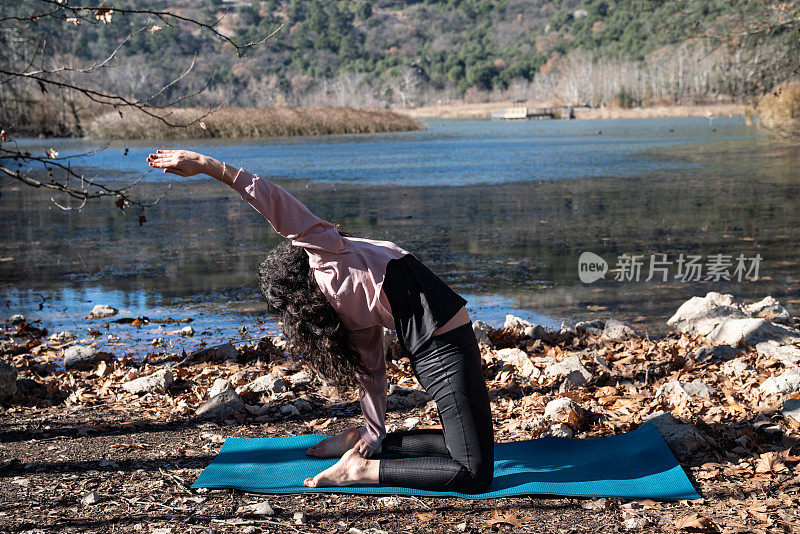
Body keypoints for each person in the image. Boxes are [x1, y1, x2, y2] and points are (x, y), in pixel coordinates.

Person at [146, 149, 494, 493]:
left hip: (441, 341)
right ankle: (359, 470)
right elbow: (276, 201)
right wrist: (211, 167)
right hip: (443, 346)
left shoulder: (340, 291)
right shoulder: (327, 255)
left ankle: (360, 443)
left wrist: (373, 432)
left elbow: (372, 371)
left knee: (468, 448)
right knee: (473, 473)